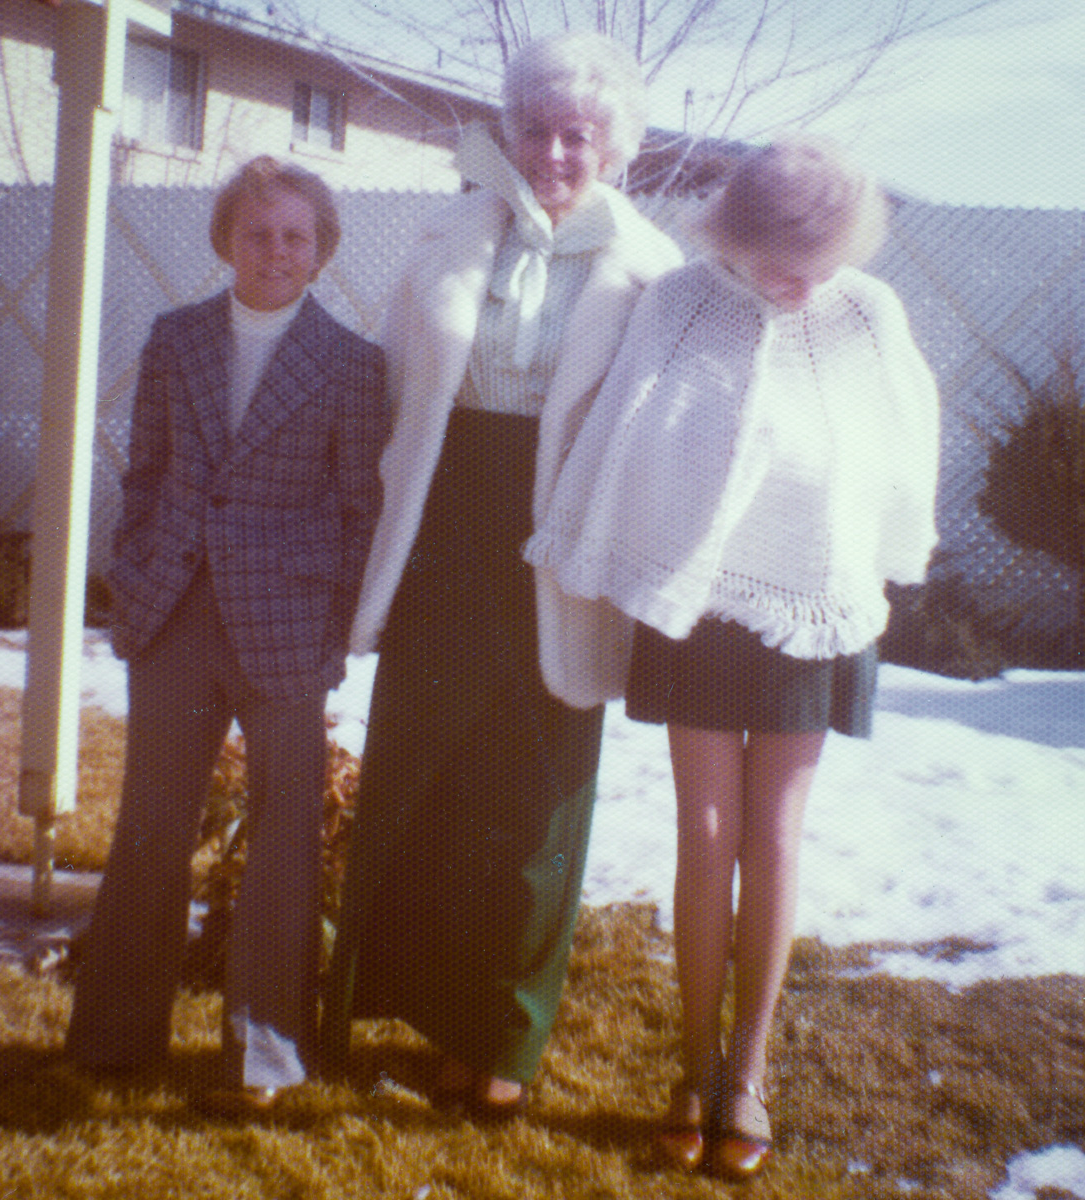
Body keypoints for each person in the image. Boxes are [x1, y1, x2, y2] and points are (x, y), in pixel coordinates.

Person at [525, 138, 940, 1177]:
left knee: (777, 834)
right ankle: (692, 1064)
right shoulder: (681, 302)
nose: (794, 280)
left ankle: (747, 1073)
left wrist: (884, 551)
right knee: (705, 833)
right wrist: (609, 538)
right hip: (700, 602)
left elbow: (901, 443)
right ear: (736, 237)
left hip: (816, 602)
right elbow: (631, 428)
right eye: (772, 255)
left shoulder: (867, 317)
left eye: (815, 255)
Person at [321, 32, 683, 1117]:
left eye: (579, 134)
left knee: (536, 803)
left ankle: (505, 1048)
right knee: (424, 777)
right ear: (509, 130)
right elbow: (387, 387)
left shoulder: (654, 271)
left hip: (560, 543)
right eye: (537, 128)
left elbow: (655, 432)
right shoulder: (447, 235)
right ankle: (416, 1016)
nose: (555, 151)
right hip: (442, 532)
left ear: (613, 145)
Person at [65, 158, 389, 1115]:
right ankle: (118, 1034)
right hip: (175, 614)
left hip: (288, 626)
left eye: (295, 236)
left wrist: (336, 625)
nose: (274, 252)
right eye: (257, 233)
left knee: (287, 836)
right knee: (152, 827)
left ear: (321, 248)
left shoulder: (351, 363)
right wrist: (134, 578)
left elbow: (359, 505)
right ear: (225, 240)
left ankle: (265, 1054)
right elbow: (147, 472)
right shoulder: (178, 339)